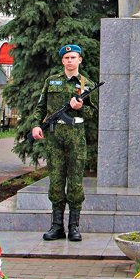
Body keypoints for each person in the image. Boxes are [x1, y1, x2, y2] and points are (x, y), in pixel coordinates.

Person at [31, 44, 97, 242]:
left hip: (76, 138)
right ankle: (57, 226)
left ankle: (74, 227)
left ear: (80, 60)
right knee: (57, 182)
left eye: (73, 57)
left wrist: (80, 107)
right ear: (62, 61)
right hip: (55, 138)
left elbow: (92, 114)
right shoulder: (51, 82)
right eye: (66, 58)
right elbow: (40, 107)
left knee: (75, 183)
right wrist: (36, 125)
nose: (70, 61)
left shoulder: (87, 84)